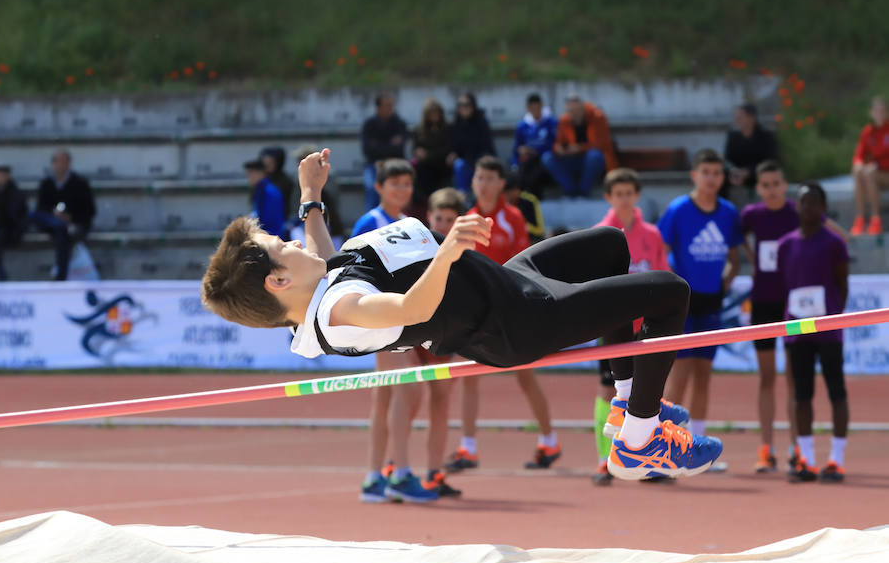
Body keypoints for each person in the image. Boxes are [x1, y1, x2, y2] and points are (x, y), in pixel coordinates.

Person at [201, 148, 722, 481]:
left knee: (610, 246)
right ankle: (639, 441)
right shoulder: (339, 310)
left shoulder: (318, 285)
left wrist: (310, 196)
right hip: (515, 321)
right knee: (669, 292)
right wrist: (447, 250)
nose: (293, 241)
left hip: (507, 285)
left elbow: (321, 250)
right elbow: (409, 307)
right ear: (278, 281)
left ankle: (628, 404)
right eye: (280, 244)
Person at [442, 157, 560, 472]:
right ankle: (468, 448)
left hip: (509, 308)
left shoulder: (513, 218)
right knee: (468, 378)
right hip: (475, 313)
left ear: (500, 184)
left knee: (525, 376)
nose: (483, 183)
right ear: (473, 182)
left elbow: (522, 263)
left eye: (490, 178)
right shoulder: (465, 219)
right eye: (479, 177)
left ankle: (549, 440)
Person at [347, 158, 439, 503]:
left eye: (407, 184)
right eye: (394, 183)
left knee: (385, 394)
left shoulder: (410, 224)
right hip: (378, 321)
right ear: (379, 187)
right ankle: (399, 472)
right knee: (408, 386)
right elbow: (351, 271)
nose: (401, 190)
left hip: (402, 322)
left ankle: (374, 476)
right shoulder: (370, 222)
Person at [592, 168, 677, 485]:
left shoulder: (652, 235)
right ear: (609, 197)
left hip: (646, 328)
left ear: (637, 196)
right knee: (608, 392)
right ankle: (605, 459)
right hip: (613, 326)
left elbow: (662, 276)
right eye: (619, 194)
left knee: (650, 390)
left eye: (630, 193)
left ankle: (647, 458)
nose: (625, 199)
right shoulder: (600, 234)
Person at [658, 149, 742, 461]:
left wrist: (727, 280)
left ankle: (696, 446)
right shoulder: (679, 209)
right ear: (694, 175)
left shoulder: (729, 212)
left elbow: (734, 257)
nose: (712, 178)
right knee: (680, 374)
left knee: (704, 373)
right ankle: (666, 445)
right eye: (705, 172)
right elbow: (661, 251)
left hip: (712, 301)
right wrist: (673, 287)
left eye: (717, 173)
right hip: (684, 302)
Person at [778, 183, 849, 483]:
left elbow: (842, 284)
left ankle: (837, 460)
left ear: (823, 208)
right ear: (797, 206)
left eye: (814, 203)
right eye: (803, 202)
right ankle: (805, 458)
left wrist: (831, 316)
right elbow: (786, 283)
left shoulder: (834, 243)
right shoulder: (786, 245)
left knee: (836, 392)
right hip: (797, 331)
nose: (808, 208)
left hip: (828, 331)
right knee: (802, 394)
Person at [740, 160, 800, 473]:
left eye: (776, 183)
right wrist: (752, 261)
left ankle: (796, 448)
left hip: (792, 304)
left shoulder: (797, 212)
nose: (772, 190)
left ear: (785, 184)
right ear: (759, 188)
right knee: (766, 378)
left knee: (793, 379)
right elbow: (737, 239)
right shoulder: (752, 215)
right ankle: (766, 449)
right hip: (763, 303)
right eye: (765, 185)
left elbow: (834, 233)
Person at [409, 187, 469, 497]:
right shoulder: (414, 246)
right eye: (438, 218)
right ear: (427, 217)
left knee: (441, 401)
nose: (442, 225)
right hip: (409, 333)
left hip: (443, 334)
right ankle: (396, 468)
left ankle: (433, 473)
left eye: (449, 219)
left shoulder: (465, 254)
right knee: (405, 398)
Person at [31, 150, 96, 281]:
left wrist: (70, 217)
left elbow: (90, 210)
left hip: (73, 224)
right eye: (57, 161)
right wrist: (54, 213)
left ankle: (61, 276)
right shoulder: (47, 184)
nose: (60, 165)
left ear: (69, 164)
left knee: (63, 234)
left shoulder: (80, 183)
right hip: (51, 222)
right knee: (33, 215)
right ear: (53, 164)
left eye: (63, 162)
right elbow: (41, 208)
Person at [541, 94, 617, 197]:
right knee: (547, 158)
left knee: (594, 155)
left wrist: (580, 148)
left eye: (577, 110)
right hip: (572, 159)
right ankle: (570, 190)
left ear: (583, 107)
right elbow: (559, 142)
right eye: (571, 111)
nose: (574, 114)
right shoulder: (565, 120)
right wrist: (559, 149)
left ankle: (583, 192)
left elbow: (603, 144)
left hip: (594, 162)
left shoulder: (598, 117)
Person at [850, 96, 889, 236]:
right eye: (877, 111)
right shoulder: (867, 132)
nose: (880, 114)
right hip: (874, 174)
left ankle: (876, 218)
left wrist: (877, 164)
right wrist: (858, 164)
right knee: (858, 172)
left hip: (885, 172)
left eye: (883, 111)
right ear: (872, 113)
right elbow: (859, 154)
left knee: (869, 172)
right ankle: (860, 218)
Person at [361, 93, 407, 211]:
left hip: (396, 164)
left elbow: (399, 149)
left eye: (391, 105)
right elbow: (367, 150)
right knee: (372, 187)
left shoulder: (399, 123)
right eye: (387, 105)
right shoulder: (369, 124)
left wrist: (378, 146)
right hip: (374, 164)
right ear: (378, 107)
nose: (390, 108)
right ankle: (372, 219)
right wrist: (390, 145)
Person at [724, 104, 778, 201]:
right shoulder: (733, 136)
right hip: (736, 175)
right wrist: (734, 170)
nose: (737, 120)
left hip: (757, 174)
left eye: (740, 117)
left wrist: (748, 172)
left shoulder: (766, 136)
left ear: (752, 118)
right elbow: (727, 160)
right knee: (720, 176)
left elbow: (771, 160)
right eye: (736, 117)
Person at [511, 93, 557, 198]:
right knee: (521, 172)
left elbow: (554, 145)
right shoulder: (522, 126)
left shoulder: (551, 123)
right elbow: (516, 149)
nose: (536, 111)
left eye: (538, 107)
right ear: (528, 109)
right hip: (527, 163)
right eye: (532, 108)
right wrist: (514, 164)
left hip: (544, 163)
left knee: (536, 172)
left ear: (541, 106)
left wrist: (535, 151)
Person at [412, 98, 453, 212]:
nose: (434, 116)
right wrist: (420, 153)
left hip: (442, 165)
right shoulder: (419, 130)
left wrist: (429, 154)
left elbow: (447, 149)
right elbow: (416, 149)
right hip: (425, 167)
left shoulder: (447, 128)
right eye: (431, 114)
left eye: (436, 113)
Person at [449, 92, 496, 194]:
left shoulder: (481, 122)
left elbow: (486, 145)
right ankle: (462, 198)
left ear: (473, 106)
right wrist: (453, 153)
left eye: (467, 105)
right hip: (464, 161)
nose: (464, 108)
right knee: (459, 165)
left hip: (480, 158)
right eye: (461, 105)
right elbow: (454, 146)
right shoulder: (456, 123)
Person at [0, 166, 28, 281]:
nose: (0, 178)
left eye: (3, 175)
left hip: (10, 230)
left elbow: (16, 217)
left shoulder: (15, 193)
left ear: (8, 176)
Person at [260, 146, 300, 230]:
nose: (267, 165)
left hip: (282, 224)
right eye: (265, 163)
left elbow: (292, 206)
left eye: (270, 162)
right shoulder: (261, 181)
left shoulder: (287, 182)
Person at [244, 159, 285, 238]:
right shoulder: (262, 189)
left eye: (251, 173)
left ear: (261, 173)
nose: (249, 177)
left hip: (270, 237)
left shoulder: (268, 191)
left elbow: (267, 220)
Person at [503, 175, 545, 243]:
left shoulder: (530, 201)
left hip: (532, 240)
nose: (505, 195)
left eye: (508, 192)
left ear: (516, 190)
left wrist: (520, 224)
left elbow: (539, 230)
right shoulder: (501, 203)